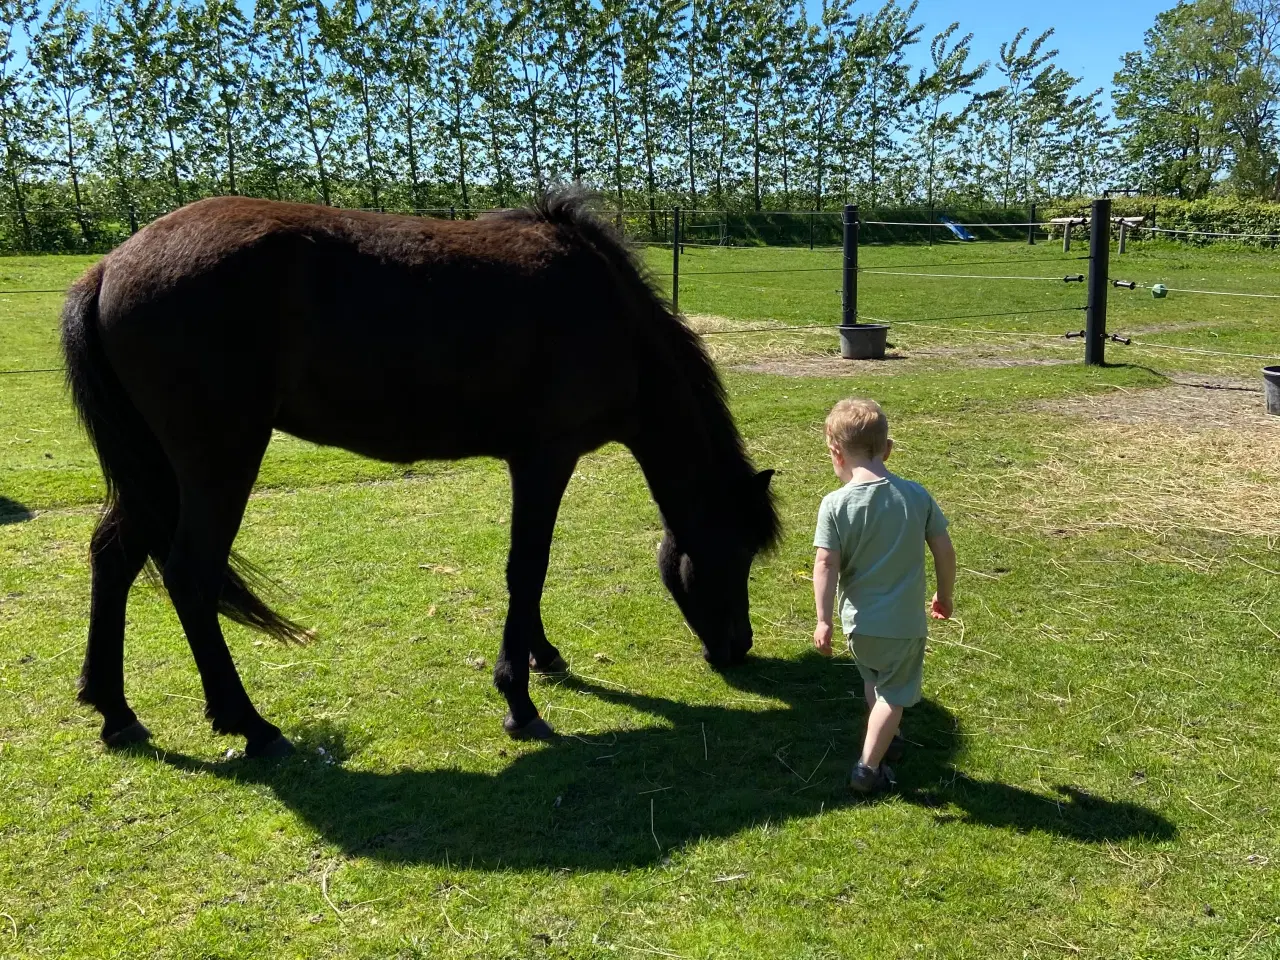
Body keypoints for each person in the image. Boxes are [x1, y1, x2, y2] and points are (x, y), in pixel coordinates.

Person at [811, 398, 956, 795]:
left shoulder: (834, 505)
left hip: (858, 625)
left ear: (835, 453)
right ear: (887, 449)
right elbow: (944, 549)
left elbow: (825, 564)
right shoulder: (915, 495)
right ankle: (867, 767)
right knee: (895, 694)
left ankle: (886, 739)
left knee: (874, 679)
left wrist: (823, 618)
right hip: (903, 625)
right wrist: (945, 594)